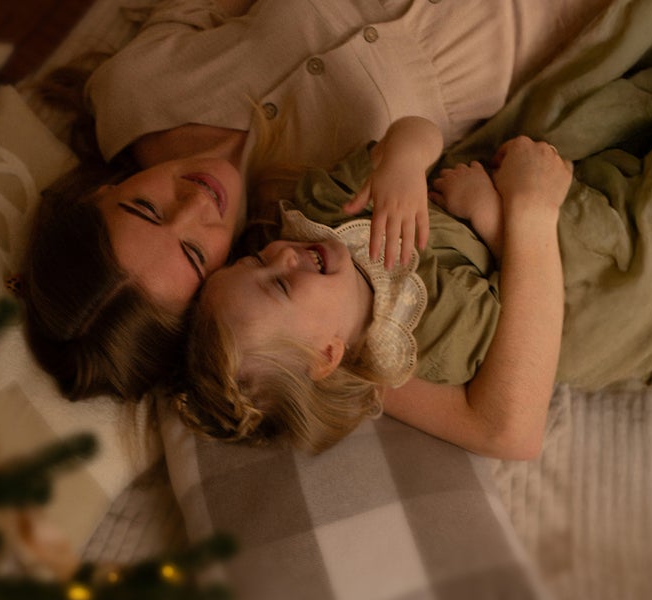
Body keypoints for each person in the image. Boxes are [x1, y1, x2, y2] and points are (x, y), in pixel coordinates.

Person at [19, 0, 652, 400]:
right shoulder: (317, 232)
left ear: (105, 192)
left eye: (145, 208)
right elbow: (500, 425)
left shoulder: (131, 91)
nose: (196, 203)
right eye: (192, 252)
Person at [177, 125, 573, 459]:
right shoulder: (435, 336)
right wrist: (495, 216)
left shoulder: (323, 210)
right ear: (327, 355)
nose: (282, 254)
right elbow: (530, 304)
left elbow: (413, 131)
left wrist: (405, 160)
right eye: (280, 284)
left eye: (255, 260)